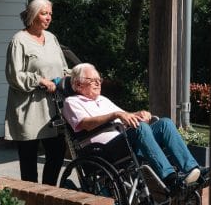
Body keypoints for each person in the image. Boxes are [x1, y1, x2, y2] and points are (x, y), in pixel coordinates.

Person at [62, 63, 201, 191]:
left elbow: (125, 116)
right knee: (140, 128)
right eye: (92, 80)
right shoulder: (71, 102)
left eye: (99, 79)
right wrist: (115, 115)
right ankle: (170, 178)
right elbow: (85, 124)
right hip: (103, 151)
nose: (98, 83)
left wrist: (138, 114)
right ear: (78, 84)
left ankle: (193, 170)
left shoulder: (103, 100)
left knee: (165, 124)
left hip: (123, 141)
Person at [4, 0, 68, 185]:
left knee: (57, 154)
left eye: (50, 14)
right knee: (29, 161)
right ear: (33, 15)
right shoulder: (19, 40)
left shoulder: (51, 38)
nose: (49, 18)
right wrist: (39, 80)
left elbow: (63, 68)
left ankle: (48, 193)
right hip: (29, 109)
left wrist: (82, 77)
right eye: (44, 13)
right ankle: (31, 198)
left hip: (52, 108)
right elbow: (14, 75)